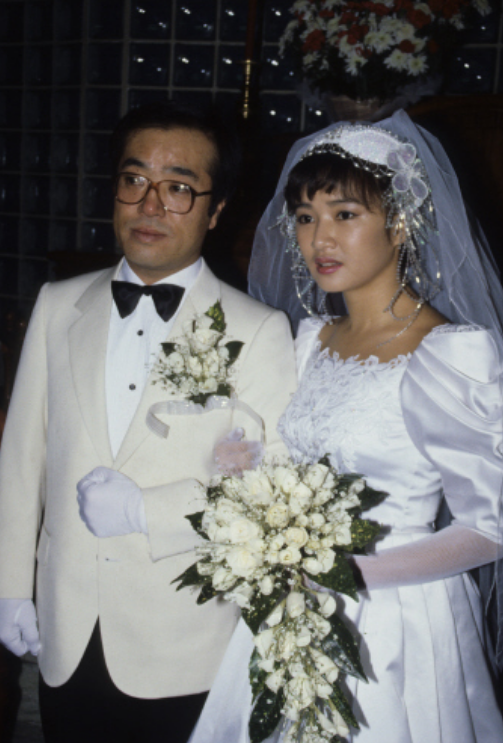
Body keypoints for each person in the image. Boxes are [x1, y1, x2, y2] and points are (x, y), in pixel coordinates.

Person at [189, 110, 503, 742]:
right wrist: (249, 474)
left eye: (345, 214)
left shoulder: (451, 353)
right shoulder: (310, 340)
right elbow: (301, 462)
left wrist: (344, 574)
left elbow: (489, 529)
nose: (320, 239)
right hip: (292, 605)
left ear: (400, 222)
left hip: (399, 619)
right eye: (306, 217)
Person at [0, 102, 297, 743]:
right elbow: (21, 458)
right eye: (134, 180)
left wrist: (145, 511)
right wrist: (8, 585)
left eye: (179, 188)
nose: (151, 204)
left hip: (182, 642)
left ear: (216, 211)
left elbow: (269, 492)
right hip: (64, 627)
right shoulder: (57, 304)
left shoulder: (259, 331)